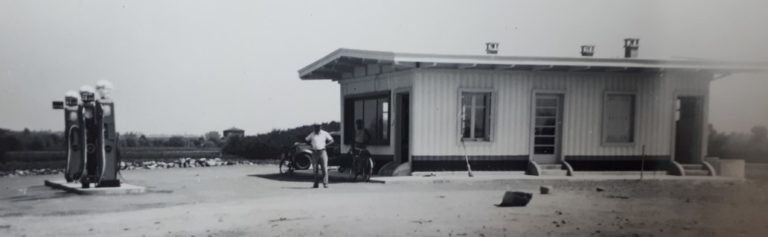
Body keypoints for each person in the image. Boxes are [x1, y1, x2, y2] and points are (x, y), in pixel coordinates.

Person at [306, 124, 334, 188]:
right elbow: (306, 139)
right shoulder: (312, 134)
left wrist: (326, 145)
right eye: (315, 127)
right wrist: (310, 145)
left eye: (318, 127)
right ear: (314, 127)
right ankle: (316, 184)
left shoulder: (324, 133)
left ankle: (325, 183)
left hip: (322, 151)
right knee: (315, 169)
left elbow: (332, 140)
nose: (316, 128)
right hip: (314, 152)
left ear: (320, 127)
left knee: (324, 168)